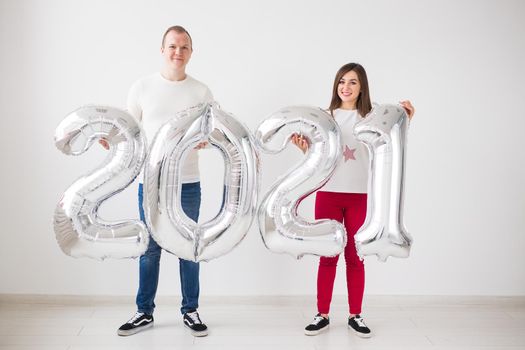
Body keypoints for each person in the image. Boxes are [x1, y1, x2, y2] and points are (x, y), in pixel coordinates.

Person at [101, 25, 212, 337]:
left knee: (188, 248)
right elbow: (128, 128)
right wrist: (110, 140)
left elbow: (212, 130)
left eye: (184, 47)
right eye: (173, 46)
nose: (178, 52)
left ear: (192, 52)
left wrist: (206, 140)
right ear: (162, 50)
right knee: (149, 248)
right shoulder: (142, 87)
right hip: (149, 183)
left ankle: (191, 310)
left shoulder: (201, 91)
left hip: (188, 183)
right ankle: (143, 312)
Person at [292, 63, 414, 338]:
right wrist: (304, 148)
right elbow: (318, 155)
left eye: (353, 82)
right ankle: (321, 314)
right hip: (328, 194)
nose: (346, 87)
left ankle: (355, 315)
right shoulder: (326, 116)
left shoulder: (372, 116)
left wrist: (407, 118)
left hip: (359, 196)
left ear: (362, 87)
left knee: (355, 257)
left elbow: (393, 138)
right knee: (328, 256)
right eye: (342, 81)